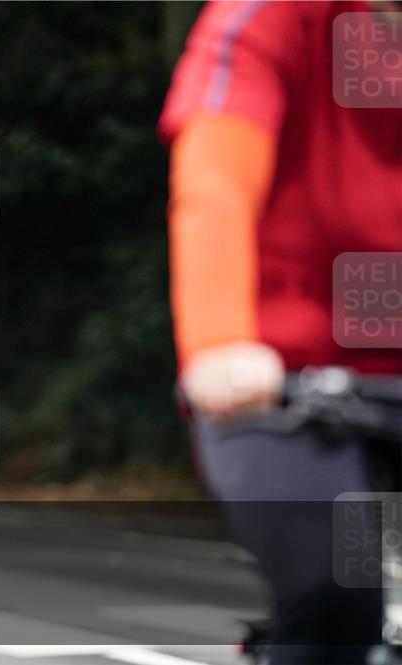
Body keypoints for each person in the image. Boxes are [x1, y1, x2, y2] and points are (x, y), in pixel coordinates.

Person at [161, 2, 401, 663]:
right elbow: (215, 179)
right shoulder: (268, 15)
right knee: (335, 594)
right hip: (274, 364)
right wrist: (217, 341)